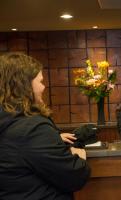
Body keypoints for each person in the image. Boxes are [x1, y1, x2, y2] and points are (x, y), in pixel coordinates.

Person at [0, 52, 90, 200]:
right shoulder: (32, 128)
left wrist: (52, 139)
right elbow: (75, 176)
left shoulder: (10, 122)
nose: (43, 87)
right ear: (24, 85)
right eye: (40, 81)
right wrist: (78, 157)